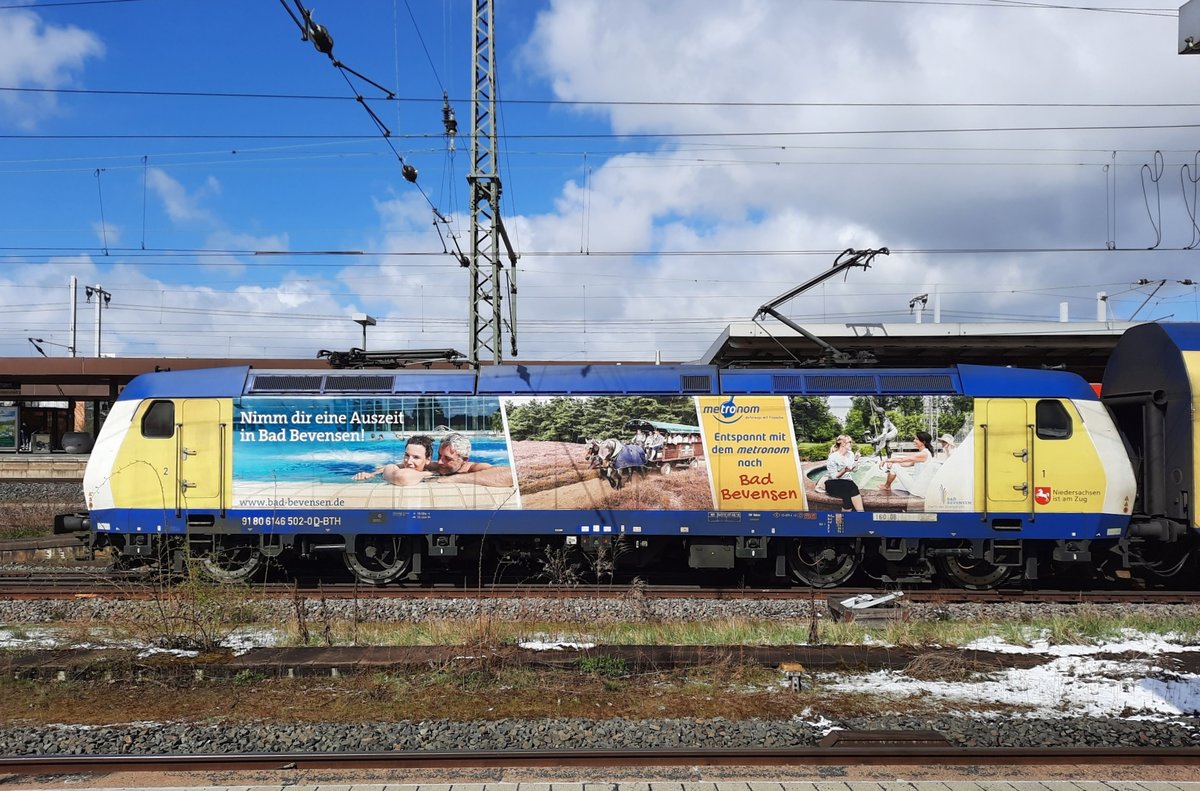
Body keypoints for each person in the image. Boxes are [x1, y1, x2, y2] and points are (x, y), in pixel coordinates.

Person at [427, 432, 514, 488]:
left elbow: (510, 474)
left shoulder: (473, 468)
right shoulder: (439, 466)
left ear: (464, 460)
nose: (440, 462)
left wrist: (454, 478)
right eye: (439, 456)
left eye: (448, 458)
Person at [354, 435, 436, 485]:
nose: (409, 461)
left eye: (416, 457)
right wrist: (431, 474)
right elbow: (402, 477)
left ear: (428, 459)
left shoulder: (436, 466)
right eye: (407, 455)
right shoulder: (393, 468)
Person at [823, 434, 864, 512]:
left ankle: (842, 521)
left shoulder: (851, 454)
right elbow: (834, 476)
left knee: (848, 497)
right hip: (833, 483)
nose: (851, 444)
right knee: (851, 486)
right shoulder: (833, 457)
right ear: (842, 443)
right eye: (849, 442)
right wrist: (843, 470)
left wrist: (856, 460)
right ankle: (862, 514)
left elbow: (854, 470)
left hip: (847, 484)